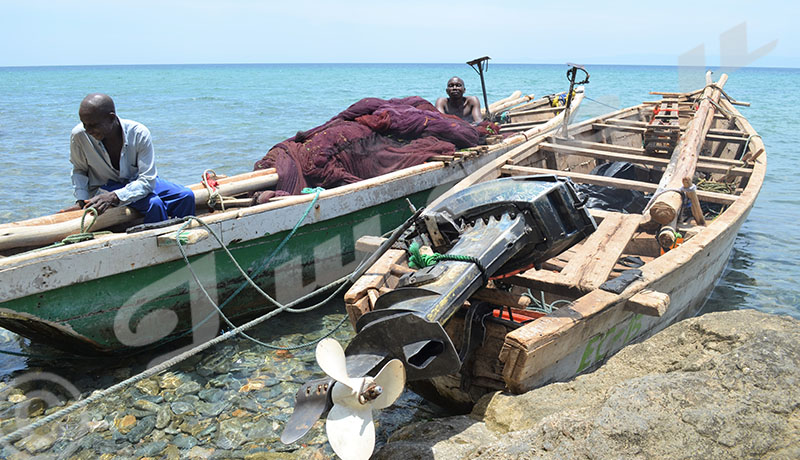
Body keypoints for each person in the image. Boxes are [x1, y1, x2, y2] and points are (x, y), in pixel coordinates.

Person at [62, 93, 195, 223]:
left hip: (135, 182)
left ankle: (182, 237)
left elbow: (147, 180)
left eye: (93, 125)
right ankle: (151, 241)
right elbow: (79, 170)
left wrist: (115, 196)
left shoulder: (139, 134)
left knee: (186, 195)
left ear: (111, 118)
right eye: (84, 124)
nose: (88, 130)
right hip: (104, 188)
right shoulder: (79, 135)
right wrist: (81, 200)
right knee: (154, 204)